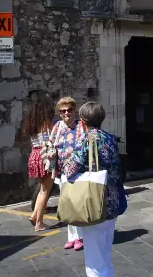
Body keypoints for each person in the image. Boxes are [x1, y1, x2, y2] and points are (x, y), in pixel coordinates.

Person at [62, 102, 124, 277]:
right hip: (111, 200)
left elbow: (69, 170)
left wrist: (67, 159)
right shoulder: (110, 138)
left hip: (93, 202)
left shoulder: (86, 140)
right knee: (104, 251)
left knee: (94, 258)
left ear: (82, 121)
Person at [52, 96, 86, 251]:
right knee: (67, 204)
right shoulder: (57, 127)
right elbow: (50, 144)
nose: (66, 113)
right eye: (63, 111)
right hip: (63, 172)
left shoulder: (81, 126)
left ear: (75, 110)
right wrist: (50, 153)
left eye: (69, 110)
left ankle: (80, 237)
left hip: (78, 172)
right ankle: (71, 237)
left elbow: (85, 147)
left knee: (77, 204)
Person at [23, 98, 57, 231]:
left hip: (34, 156)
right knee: (45, 191)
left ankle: (34, 216)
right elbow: (52, 140)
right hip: (45, 156)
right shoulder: (47, 124)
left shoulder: (31, 125)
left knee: (42, 189)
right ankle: (39, 223)